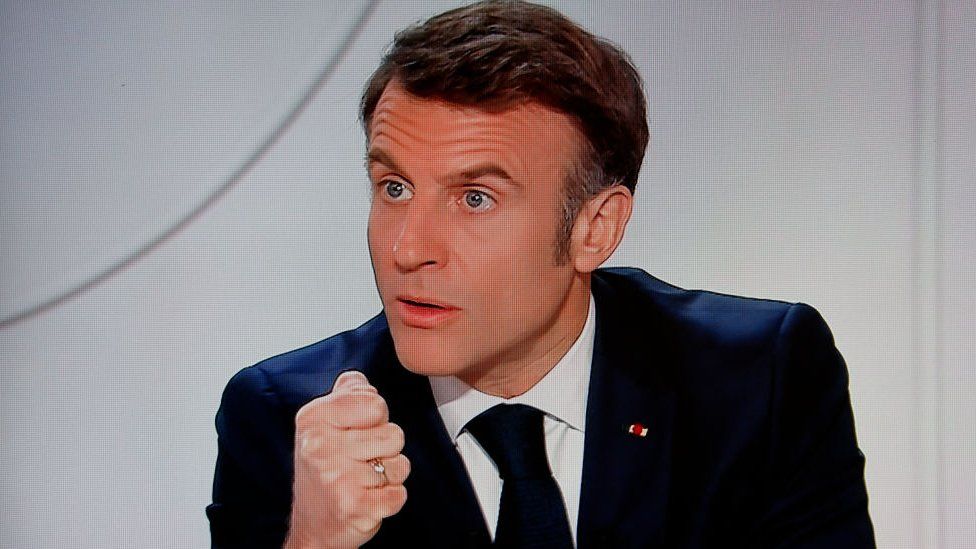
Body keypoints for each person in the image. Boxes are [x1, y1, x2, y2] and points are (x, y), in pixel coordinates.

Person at [206, 1, 875, 547]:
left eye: (475, 198)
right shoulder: (284, 418)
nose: (408, 248)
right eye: (395, 187)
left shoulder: (758, 379)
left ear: (595, 228)